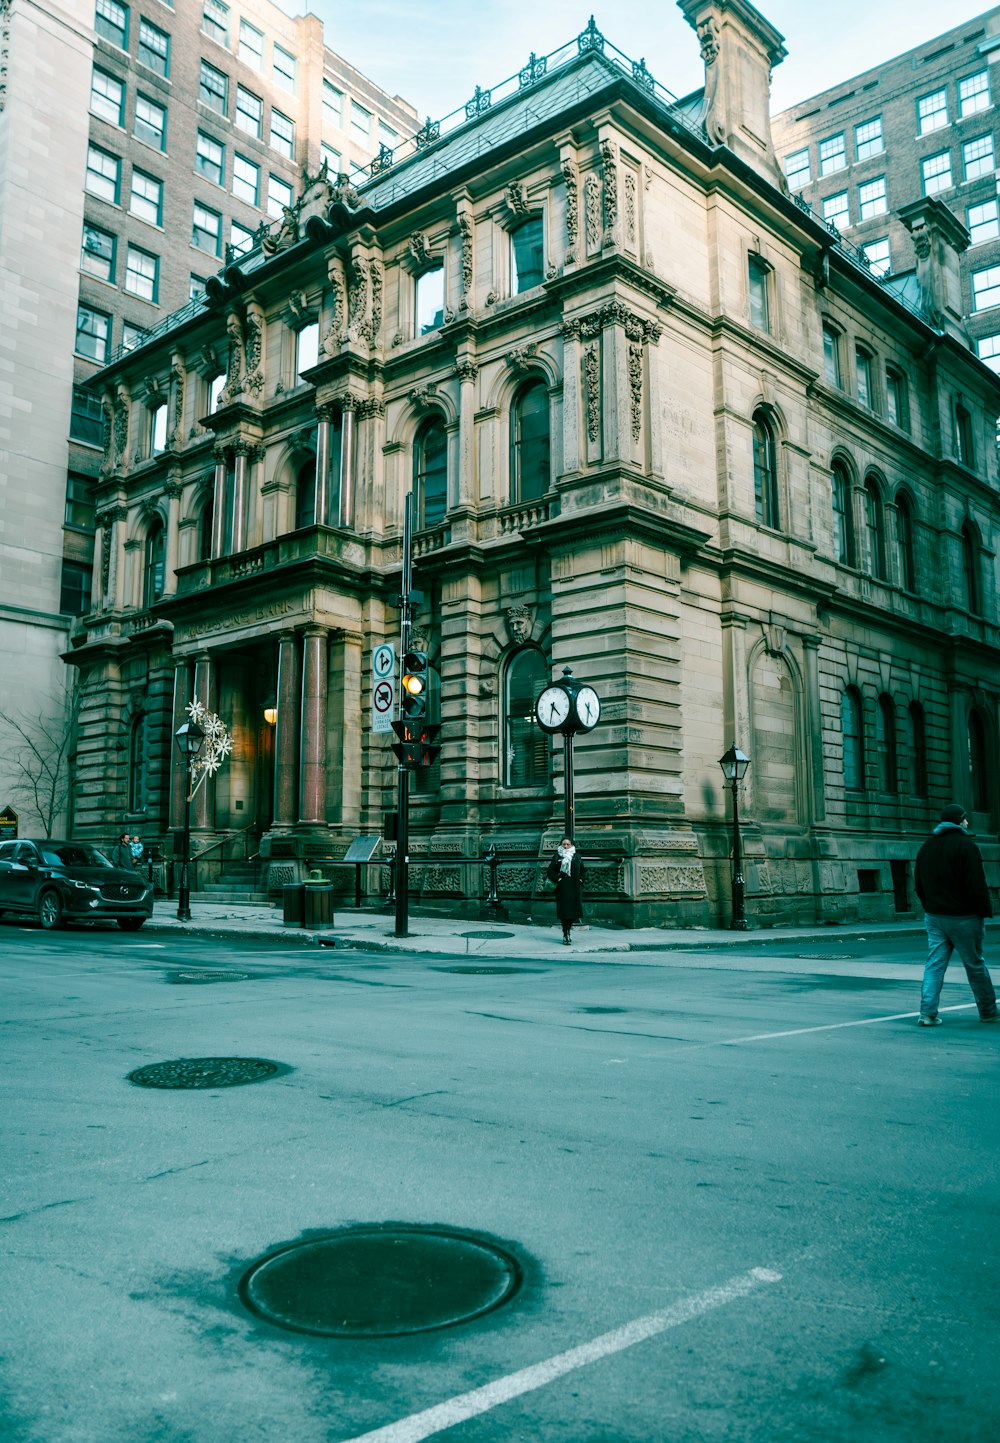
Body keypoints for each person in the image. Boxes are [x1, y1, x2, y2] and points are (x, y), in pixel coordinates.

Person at [914, 803, 998, 1026]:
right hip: (964, 917)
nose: (968, 822)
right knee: (975, 965)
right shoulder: (966, 846)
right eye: (965, 819)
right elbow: (976, 885)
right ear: (959, 821)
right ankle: (988, 1012)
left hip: (934, 916)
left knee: (934, 965)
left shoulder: (927, 846)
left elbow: (918, 883)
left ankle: (927, 1013)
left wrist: (929, 905)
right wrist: (983, 911)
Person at [547, 837, 584, 945]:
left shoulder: (576, 856)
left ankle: (568, 929)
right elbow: (550, 870)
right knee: (565, 912)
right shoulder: (557, 856)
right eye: (564, 844)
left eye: (568, 844)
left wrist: (581, 879)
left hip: (575, 887)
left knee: (574, 912)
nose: (566, 846)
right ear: (561, 845)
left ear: (572, 845)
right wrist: (557, 878)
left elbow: (583, 870)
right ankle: (565, 932)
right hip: (563, 888)